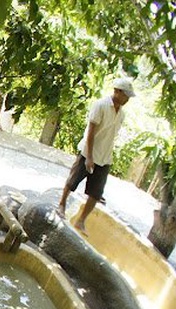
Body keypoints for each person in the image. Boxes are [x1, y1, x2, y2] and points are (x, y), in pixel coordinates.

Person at [58, 77, 135, 231]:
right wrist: (90, 157)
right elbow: (91, 132)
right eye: (125, 95)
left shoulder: (121, 114)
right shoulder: (101, 105)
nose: (127, 99)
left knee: (96, 192)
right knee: (73, 181)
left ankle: (81, 220)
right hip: (89, 152)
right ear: (117, 91)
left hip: (105, 157)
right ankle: (62, 204)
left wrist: (103, 157)